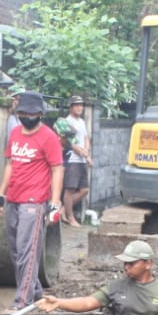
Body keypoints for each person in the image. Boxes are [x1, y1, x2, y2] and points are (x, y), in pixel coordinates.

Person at [0, 91, 64, 310]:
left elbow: (57, 169)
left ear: (40, 114)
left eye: (31, 113)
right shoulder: (14, 133)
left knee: (27, 251)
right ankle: (34, 292)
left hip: (34, 201)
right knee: (16, 250)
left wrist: (54, 202)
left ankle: (21, 302)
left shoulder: (49, 137)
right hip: (13, 197)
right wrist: (1, 194)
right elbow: (10, 165)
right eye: (22, 112)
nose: (26, 116)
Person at [58, 95, 92, 226]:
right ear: (71, 107)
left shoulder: (82, 122)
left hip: (81, 160)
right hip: (72, 159)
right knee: (70, 189)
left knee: (84, 190)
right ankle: (70, 218)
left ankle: (63, 209)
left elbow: (86, 138)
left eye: (81, 105)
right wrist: (84, 154)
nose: (80, 107)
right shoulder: (67, 122)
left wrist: (86, 152)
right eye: (77, 105)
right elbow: (70, 143)